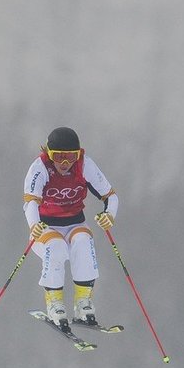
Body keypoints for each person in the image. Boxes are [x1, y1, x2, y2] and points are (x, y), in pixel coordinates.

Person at [23, 127, 118, 331]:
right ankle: (54, 303)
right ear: (49, 154)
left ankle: (83, 303)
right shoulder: (39, 167)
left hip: (75, 222)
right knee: (56, 246)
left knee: (84, 242)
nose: (64, 163)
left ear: (78, 154)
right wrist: (34, 226)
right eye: (58, 156)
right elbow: (31, 202)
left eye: (70, 157)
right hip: (46, 226)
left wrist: (109, 215)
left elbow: (111, 196)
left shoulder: (84, 165)